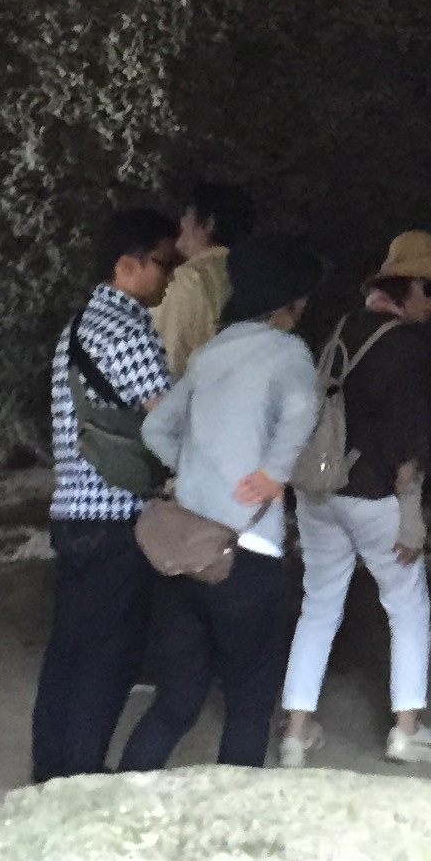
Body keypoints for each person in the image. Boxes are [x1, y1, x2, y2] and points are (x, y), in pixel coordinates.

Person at [119, 233, 324, 771]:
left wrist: (192, 468)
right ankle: (234, 823)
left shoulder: (212, 352)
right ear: (289, 304)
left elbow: (158, 428)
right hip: (245, 550)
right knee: (250, 703)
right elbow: (304, 407)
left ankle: (119, 800)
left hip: (183, 547)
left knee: (176, 701)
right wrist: (274, 472)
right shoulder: (289, 352)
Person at [277, 228, 431, 769]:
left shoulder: (343, 329)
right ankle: (406, 731)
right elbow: (407, 445)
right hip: (373, 497)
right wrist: (411, 518)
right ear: (407, 285)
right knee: (407, 605)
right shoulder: (406, 346)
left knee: (318, 607)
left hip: (320, 490)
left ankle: (296, 734)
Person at [29, 207, 184, 781]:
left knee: (68, 654)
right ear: (127, 265)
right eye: (164, 263)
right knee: (108, 659)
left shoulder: (76, 330)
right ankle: (81, 777)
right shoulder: (126, 332)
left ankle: (50, 773)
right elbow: (167, 424)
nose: (170, 277)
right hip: (118, 517)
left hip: (72, 512)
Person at [152, 181, 253, 379]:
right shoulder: (245, 277)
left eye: (188, 215)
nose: (181, 223)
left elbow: (167, 364)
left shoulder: (187, 281)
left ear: (208, 224)